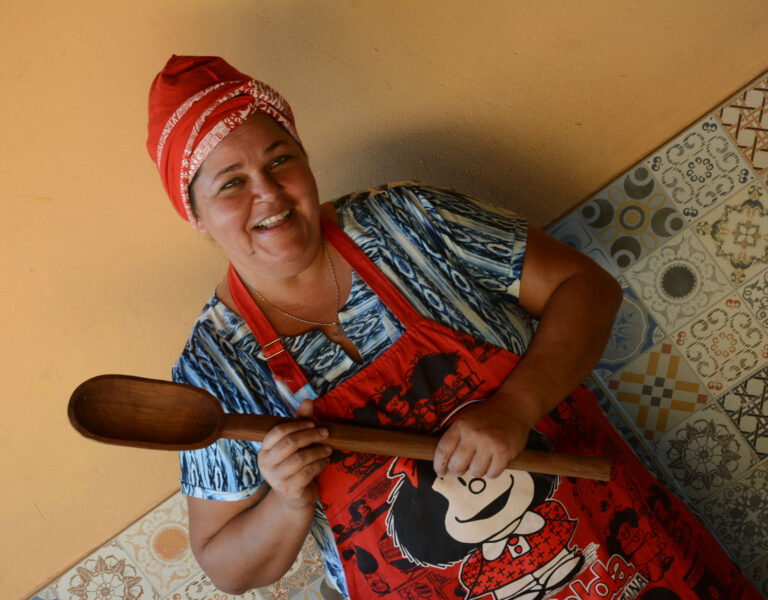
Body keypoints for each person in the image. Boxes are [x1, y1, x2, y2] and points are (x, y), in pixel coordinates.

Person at [146, 55, 761, 599]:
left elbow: (589, 289)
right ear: (194, 213)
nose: (269, 194)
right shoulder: (215, 367)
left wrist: (516, 407)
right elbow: (225, 565)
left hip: (623, 560)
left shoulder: (409, 222)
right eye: (231, 184)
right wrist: (286, 499)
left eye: (282, 160)